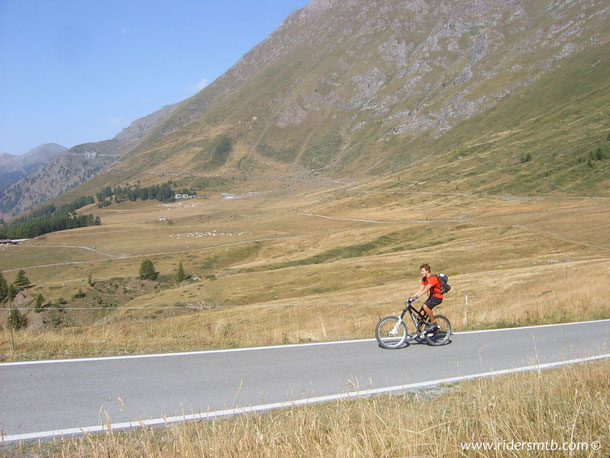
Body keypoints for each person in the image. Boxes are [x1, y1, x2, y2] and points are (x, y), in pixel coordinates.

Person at [407, 263, 443, 332]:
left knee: (425, 306)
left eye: (423, 271)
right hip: (432, 296)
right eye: (421, 271)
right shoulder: (424, 279)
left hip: (438, 297)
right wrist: (411, 297)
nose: (421, 273)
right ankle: (419, 331)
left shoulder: (433, 278)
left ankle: (433, 322)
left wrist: (417, 297)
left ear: (427, 270)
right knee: (421, 315)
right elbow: (421, 290)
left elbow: (426, 289)